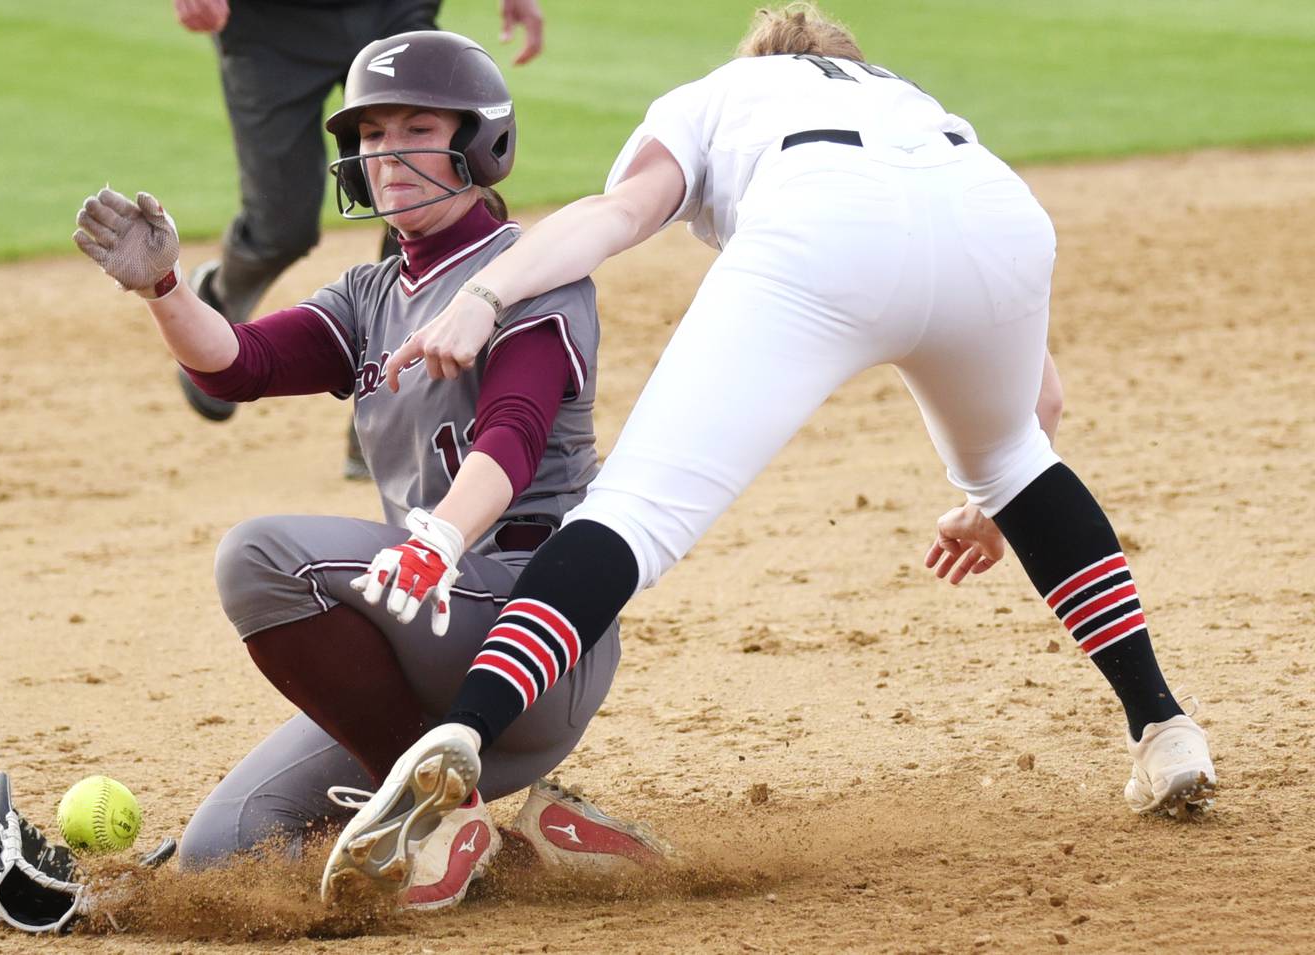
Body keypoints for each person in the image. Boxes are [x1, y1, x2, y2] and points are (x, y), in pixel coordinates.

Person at [316, 2, 1218, 895]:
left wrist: (486, 293)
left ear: (760, 55)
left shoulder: (725, 90)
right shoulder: (907, 103)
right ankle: (1165, 726)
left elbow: (620, 212)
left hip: (823, 231)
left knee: (633, 513)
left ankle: (466, 729)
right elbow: (1039, 399)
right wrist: (990, 504)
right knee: (1021, 459)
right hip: (1000, 216)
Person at [73, 30, 664, 911]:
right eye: (372, 134)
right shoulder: (369, 294)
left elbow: (515, 432)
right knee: (224, 852)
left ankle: (439, 811)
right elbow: (238, 365)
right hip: (417, 643)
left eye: (415, 127)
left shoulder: (534, 273)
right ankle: (535, 848)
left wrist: (438, 541)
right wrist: (164, 289)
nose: (387, 155)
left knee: (260, 557)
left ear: (482, 141)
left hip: (523, 626)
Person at [170, 0, 545, 483]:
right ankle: (220, 295)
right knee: (280, 226)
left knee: (419, 193)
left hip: (392, 11)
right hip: (268, 25)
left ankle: (392, 406)